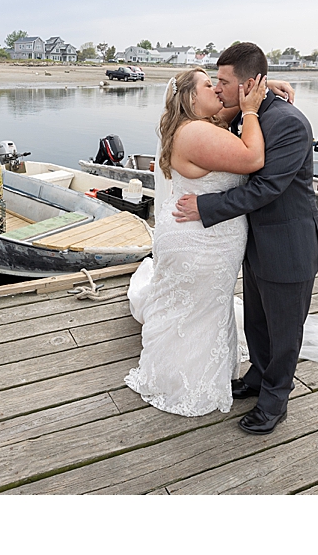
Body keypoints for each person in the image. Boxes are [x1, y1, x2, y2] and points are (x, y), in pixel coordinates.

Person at [173, 42, 318, 435]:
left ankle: (275, 402)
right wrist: (260, 91)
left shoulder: (289, 124)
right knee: (257, 322)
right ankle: (258, 377)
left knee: (285, 330)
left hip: (289, 245)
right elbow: (211, 108)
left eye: (223, 81)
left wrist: (205, 207)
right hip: (257, 243)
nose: (219, 89)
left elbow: (265, 189)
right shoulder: (251, 111)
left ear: (246, 84)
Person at [125, 65, 276, 417]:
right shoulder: (196, 132)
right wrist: (252, 111)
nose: (218, 91)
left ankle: (185, 374)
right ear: (193, 97)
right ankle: (184, 384)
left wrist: (264, 87)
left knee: (198, 309)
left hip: (204, 235)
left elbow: (231, 104)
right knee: (198, 311)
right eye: (210, 85)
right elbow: (253, 158)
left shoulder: (201, 122)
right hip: (201, 241)